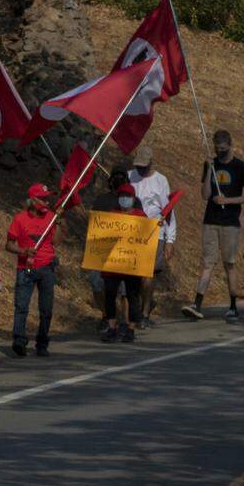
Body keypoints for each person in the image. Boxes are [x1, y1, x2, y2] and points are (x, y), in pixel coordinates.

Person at [183, 130, 244, 321]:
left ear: (230, 145)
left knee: (229, 264)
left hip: (230, 223)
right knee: (207, 262)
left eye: (224, 148)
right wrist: (209, 170)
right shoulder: (211, 164)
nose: (220, 151)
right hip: (211, 221)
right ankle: (197, 304)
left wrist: (229, 200)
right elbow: (205, 195)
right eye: (218, 148)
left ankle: (233, 306)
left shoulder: (240, 166)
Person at [5, 183, 63, 357]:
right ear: (32, 200)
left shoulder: (52, 217)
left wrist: (58, 222)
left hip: (46, 267)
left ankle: (42, 342)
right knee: (21, 306)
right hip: (26, 268)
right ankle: (19, 340)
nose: (46, 201)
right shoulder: (20, 218)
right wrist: (23, 251)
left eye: (47, 198)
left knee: (46, 308)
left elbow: (57, 241)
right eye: (42, 198)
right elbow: (8, 244)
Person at [128, 145, 176, 328]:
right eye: (138, 166)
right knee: (134, 276)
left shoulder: (161, 180)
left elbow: (169, 210)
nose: (140, 169)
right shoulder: (130, 176)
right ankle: (137, 309)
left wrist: (170, 239)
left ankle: (145, 312)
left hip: (155, 231)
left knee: (147, 275)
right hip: (132, 232)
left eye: (144, 166)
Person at [100, 184, 147, 343]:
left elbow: (147, 237)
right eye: (122, 195)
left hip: (132, 264)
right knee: (110, 295)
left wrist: (156, 227)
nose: (124, 198)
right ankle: (112, 327)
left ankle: (131, 329)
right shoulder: (112, 215)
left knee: (133, 296)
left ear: (133, 199)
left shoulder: (141, 216)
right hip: (113, 264)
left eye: (127, 196)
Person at [88, 166, 131, 331]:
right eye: (116, 176)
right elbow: (94, 226)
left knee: (125, 290)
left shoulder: (134, 200)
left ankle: (125, 322)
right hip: (103, 252)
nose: (118, 179)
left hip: (126, 252)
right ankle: (106, 315)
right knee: (96, 283)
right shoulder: (101, 200)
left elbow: (142, 225)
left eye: (122, 176)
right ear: (110, 179)